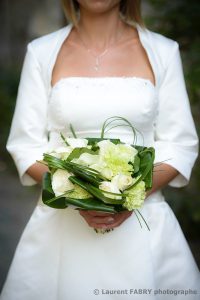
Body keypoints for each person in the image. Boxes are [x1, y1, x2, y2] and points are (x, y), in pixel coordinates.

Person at [1, 0, 200, 299]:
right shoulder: (41, 52)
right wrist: (78, 193)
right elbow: (25, 145)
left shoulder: (163, 51)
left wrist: (128, 195)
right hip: (61, 233)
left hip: (144, 228)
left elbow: (180, 143)